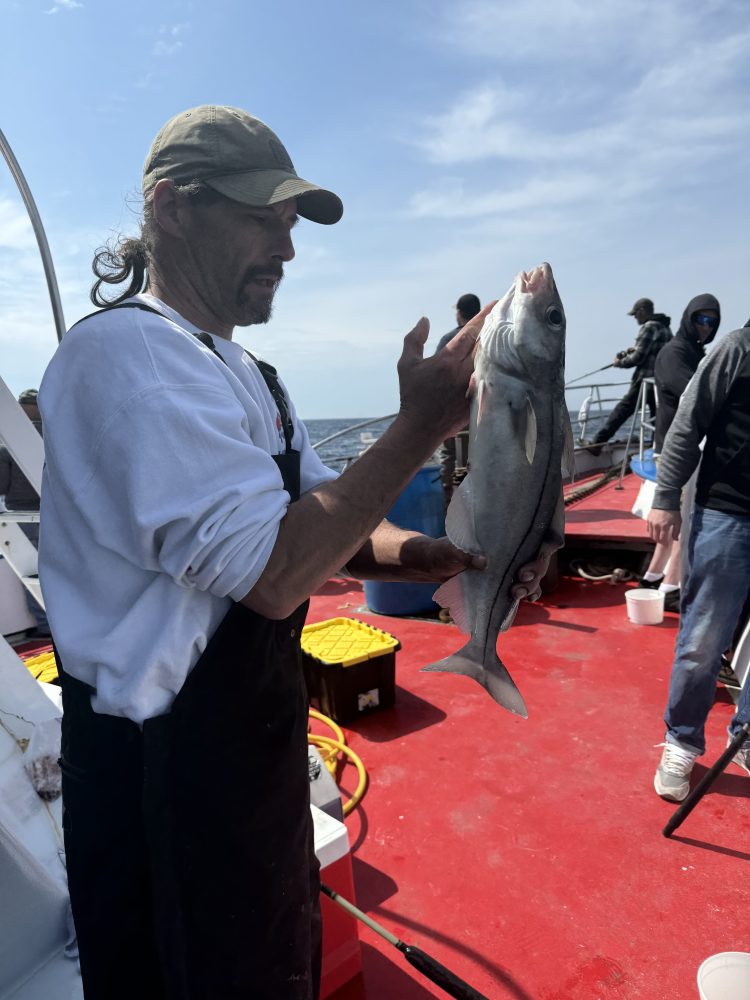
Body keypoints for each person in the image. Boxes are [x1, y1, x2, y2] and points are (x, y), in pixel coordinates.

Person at [37, 105, 554, 999]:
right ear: (170, 207)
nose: (285, 247)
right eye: (260, 217)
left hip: (248, 765)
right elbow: (274, 577)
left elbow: (325, 519)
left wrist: (426, 552)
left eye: (288, 223)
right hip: (162, 789)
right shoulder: (124, 356)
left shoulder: (246, 374)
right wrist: (421, 423)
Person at [649, 322, 750, 802]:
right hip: (728, 515)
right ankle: (682, 740)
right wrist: (666, 496)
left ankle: (746, 735)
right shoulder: (737, 348)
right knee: (703, 639)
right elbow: (688, 423)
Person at [638, 294, 721, 612]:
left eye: (711, 322)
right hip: (679, 450)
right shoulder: (676, 352)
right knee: (684, 523)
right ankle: (672, 588)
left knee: (672, 524)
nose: (705, 326)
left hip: (682, 447)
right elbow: (695, 393)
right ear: (688, 318)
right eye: (701, 319)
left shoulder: (693, 352)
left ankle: (652, 577)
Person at [588, 297, 672, 450]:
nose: (635, 318)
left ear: (642, 311)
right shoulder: (665, 328)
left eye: (635, 314)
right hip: (659, 382)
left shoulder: (649, 327)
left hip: (645, 381)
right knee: (657, 418)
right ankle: (657, 448)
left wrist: (619, 362)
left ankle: (597, 443)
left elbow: (638, 357)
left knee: (622, 410)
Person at [0, 389, 50, 637]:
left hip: (21, 516)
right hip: (54, 513)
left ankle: (45, 628)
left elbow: (1, 483)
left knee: (32, 570)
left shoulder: (8, 445)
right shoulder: (57, 437)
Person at [435, 293, 481, 506]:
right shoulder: (490, 336)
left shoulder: (449, 341)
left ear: (460, 314)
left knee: (448, 454)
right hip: (484, 409)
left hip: (455, 411)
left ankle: (448, 498)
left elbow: (438, 375)